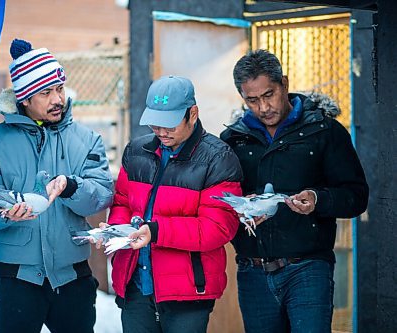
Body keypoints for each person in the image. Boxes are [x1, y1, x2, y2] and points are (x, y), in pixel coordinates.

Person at [0, 39, 114, 333]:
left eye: (59, 88)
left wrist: (72, 187)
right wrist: (6, 213)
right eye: (46, 93)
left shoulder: (87, 140)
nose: (57, 99)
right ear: (24, 98)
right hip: (18, 278)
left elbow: (101, 195)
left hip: (73, 276)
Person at [220, 49, 369, 333]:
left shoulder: (325, 131)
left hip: (308, 268)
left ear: (284, 84)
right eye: (252, 100)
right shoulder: (233, 139)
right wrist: (243, 210)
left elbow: (356, 196)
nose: (263, 108)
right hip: (253, 271)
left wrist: (317, 199)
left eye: (269, 95)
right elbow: (221, 201)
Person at [102, 75, 243, 333]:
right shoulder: (136, 151)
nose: (161, 132)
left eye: (169, 124)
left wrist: (156, 232)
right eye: (155, 124)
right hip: (135, 284)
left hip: (187, 291)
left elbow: (218, 227)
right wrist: (115, 230)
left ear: (193, 114)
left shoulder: (218, 158)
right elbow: (122, 202)